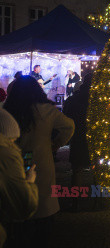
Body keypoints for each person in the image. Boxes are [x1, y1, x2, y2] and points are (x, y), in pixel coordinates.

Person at [3, 75, 74, 247]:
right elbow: (69, 126)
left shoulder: (9, 109)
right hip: (41, 161)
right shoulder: (46, 110)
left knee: (17, 204)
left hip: (16, 161)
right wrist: (55, 145)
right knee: (44, 204)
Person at [0, 109, 38, 248]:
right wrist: (29, 182)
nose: (15, 146)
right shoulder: (6, 155)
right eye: (12, 141)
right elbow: (24, 205)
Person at [62, 73, 93, 211]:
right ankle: (98, 201)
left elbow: (66, 116)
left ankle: (75, 202)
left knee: (77, 170)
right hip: (94, 136)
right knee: (98, 170)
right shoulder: (99, 98)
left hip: (78, 135)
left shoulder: (73, 99)